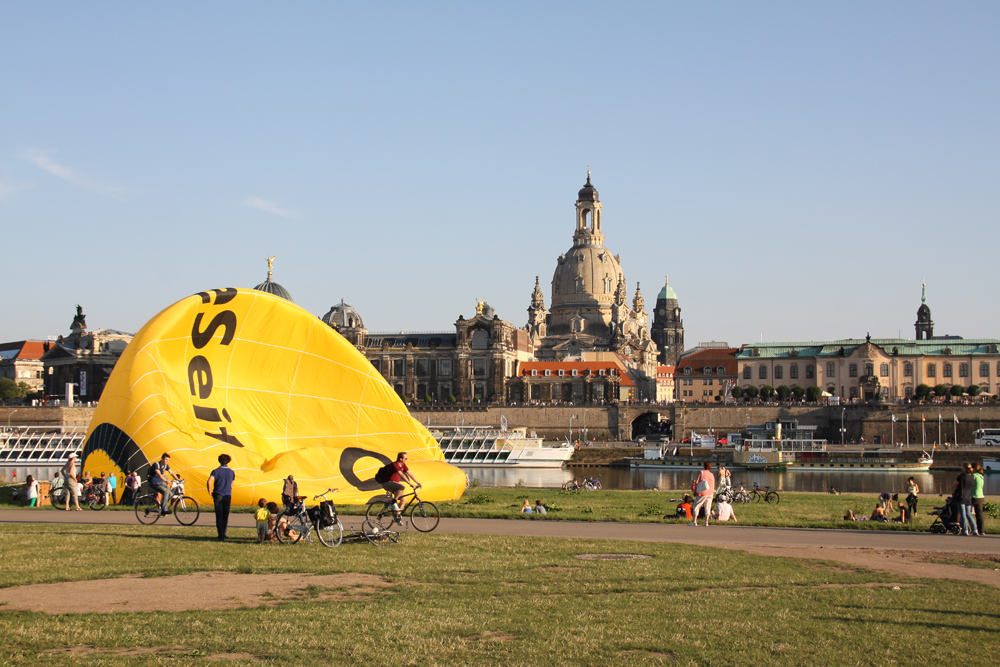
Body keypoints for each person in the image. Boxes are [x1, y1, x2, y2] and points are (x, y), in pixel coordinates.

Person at [376, 452, 422, 517]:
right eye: (405, 458)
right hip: (387, 483)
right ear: (401, 459)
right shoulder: (395, 465)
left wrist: (418, 482)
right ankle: (393, 503)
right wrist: (410, 483)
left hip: (394, 485)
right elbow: (402, 475)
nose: (407, 460)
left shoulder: (403, 465)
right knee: (401, 486)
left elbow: (410, 473)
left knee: (404, 499)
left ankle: (397, 516)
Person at [207, 453, 235, 541]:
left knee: (219, 515)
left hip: (218, 493)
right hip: (227, 494)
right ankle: (224, 532)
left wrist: (210, 490)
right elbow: (232, 484)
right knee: (225, 515)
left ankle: (221, 534)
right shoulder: (231, 472)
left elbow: (209, 481)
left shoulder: (215, 471)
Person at [955, 462, 978, 536]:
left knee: (963, 514)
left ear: (964, 468)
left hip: (961, 496)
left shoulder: (961, 476)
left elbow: (955, 484)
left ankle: (965, 530)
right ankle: (974, 529)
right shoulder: (972, 476)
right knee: (968, 513)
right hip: (968, 496)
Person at [690, 461, 715, 527]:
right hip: (710, 492)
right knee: (708, 507)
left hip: (703, 492)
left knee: (696, 505)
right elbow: (713, 484)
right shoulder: (712, 474)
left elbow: (697, 482)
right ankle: (706, 522)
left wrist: (695, 491)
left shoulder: (701, 472)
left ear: (704, 466)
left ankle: (694, 521)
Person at [972, 463, 985, 536]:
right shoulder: (981, 476)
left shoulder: (974, 476)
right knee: (979, 514)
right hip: (980, 496)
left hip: (973, 496)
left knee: (965, 512)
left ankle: (963, 526)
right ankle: (981, 530)